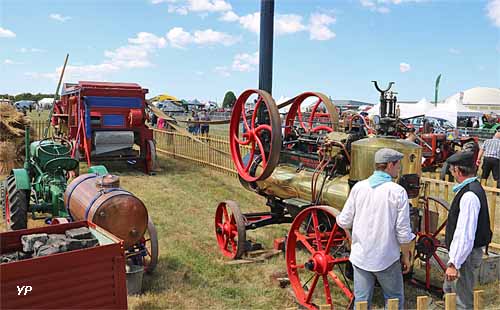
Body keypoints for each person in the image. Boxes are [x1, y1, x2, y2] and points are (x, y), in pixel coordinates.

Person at [337, 148, 415, 310]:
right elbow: (403, 232)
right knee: (394, 298)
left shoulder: (359, 187)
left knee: (362, 301)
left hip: (361, 257)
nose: (399, 168)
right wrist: (406, 257)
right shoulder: (398, 192)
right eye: (398, 164)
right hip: (386, 258)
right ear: (389, 165)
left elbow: (344, 221)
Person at [443, 151, 492, 309]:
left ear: (457, 170)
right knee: (451, 292)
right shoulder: (472, 188)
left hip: (465, 255)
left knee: (462, 299)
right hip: (464, 254)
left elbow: (465, 233)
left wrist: (454, 263)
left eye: (451, 170)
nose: (451, 173)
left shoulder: (469, 195)